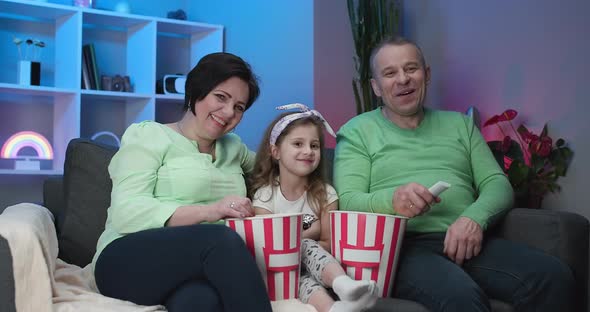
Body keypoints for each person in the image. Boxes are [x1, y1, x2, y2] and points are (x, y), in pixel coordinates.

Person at [333, 36, 577, 312]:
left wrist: (473, 219)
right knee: (462, 299)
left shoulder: (460, 125)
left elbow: (497, 183)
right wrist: (393, 201)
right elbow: (348, 201)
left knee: (553, 276)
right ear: (376, 86)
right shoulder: (356, 131)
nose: (403, 79)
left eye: (411, 68)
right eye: (390, 73)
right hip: (402, 249)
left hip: (466, 237)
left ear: (426, 75)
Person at [92, 52, 272, 312]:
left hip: (191, 269)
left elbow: (275, 169)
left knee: (200, 302)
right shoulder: (150, 136)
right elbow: (125, 212)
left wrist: (298, 140)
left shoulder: (234, 147)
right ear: (197, 91)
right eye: (220, 97)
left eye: (239, 107)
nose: (229, 112)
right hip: (125, 261)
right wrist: (211, 211)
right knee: (221, 238)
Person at [249, 103, 378, 312]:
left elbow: (328, 242)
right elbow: (267, 248)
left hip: (313, 269)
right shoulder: (265, 196)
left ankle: (340, 297)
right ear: (276, 151)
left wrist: (301, 243)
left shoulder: (325, 194)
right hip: (277, 272)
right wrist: (304, 239)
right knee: (304, 252)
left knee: (306, 273)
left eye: (315, 145)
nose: (308, 151)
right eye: (298, 144)